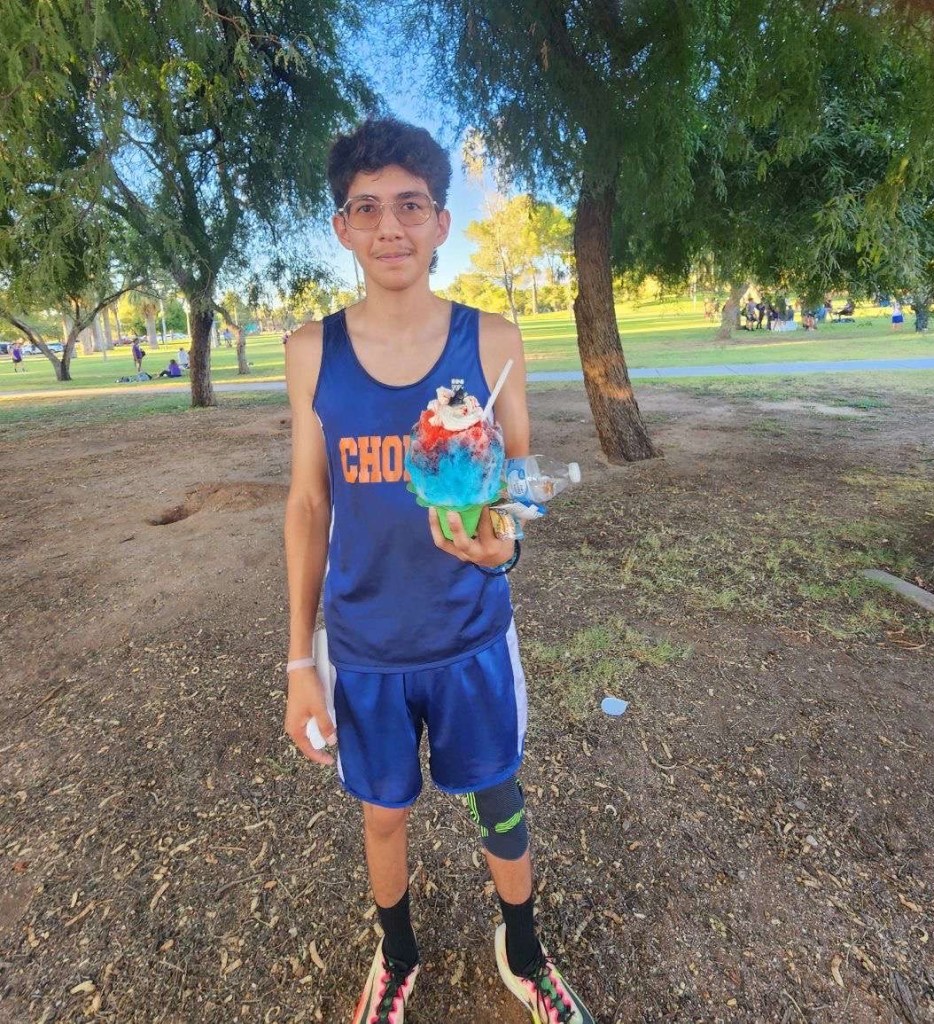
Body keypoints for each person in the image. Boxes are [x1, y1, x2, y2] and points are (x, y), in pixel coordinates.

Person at [282, 119, 595, 1024]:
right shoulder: (313, 351)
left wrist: (509, 539)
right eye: (367, 208)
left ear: (441, 221)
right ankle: (398, 949)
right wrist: (301, 663)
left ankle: (524, 949)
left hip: (470, 633)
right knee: (384, 813)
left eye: (409, 206)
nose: (390, 228)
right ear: (340, 227)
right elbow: (308, 506)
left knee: (497, 793)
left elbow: (524, 478)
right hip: (367, 644)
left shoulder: (492, 344)